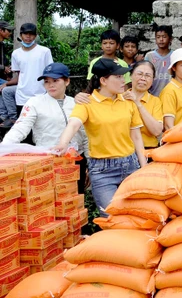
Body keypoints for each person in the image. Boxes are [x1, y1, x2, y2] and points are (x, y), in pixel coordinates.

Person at [53, 59, 146, 216]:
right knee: (111, 217)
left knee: (136, 215)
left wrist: (143, 167)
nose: (124, 81)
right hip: (103, 171)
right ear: (103, 80)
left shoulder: (128, 101)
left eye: (123, 77)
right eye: (118, 77)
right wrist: (62, 144)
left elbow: (136, 137)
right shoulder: (86, 103)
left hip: (130, 165)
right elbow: (74, 124)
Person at [2, 63, 89, 193]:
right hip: (48, 160)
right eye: (46, 81)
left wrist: (91, 164)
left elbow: (85, 134)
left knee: (75, 202)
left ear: (67, 81)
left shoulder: (76, 104)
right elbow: (20, 128)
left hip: (77, 160)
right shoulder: (35, 103)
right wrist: (4, 147)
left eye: (55, 80)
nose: (50, 85)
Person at [8, 23, 53, 121]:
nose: (28, 36)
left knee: (40, 127)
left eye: (31, 34)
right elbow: (20, 74)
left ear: (35, 36)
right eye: (25, 34)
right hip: (22, 97)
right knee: (24, 128)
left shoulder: (44, 51)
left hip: (41, 95)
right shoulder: (16, 54)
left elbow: (49, 74)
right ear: (21, 35)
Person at [126, 61, 164, 152]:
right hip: (125, 152)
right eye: (139, 74)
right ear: (130, 76)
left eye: (147, 76)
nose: (143, 78)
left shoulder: (155, 101)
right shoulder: (121, 98)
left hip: (149, 150)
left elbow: (157, 131)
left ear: (152, 80)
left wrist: (138, 104)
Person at [146, 25, 173, 96]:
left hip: (171, 96)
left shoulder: (174, 55)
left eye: (164, 37)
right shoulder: (149, 56)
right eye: (158, 37)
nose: (161, 39)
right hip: (152, 95)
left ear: (170, 39)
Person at [0, 21, 15, 126]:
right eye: (8, 30)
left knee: (6, 87)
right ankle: (11, 116)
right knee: (8, 88)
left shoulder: (2, 45)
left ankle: (3, 116)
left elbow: (3, 62)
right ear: (1, 30)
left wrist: (8, 69)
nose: (10, 33)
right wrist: (3, 68)